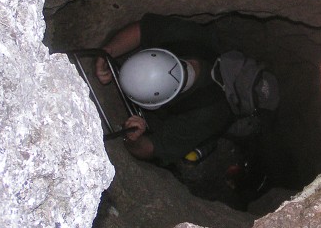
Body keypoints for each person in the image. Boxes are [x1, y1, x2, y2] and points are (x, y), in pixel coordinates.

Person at [95, 13, 233, 167]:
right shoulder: (183, 36)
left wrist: (134, 139)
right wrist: (109, 51)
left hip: (218, 115)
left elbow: (154, 149)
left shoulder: (205, 113)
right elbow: (143, 29)